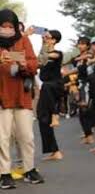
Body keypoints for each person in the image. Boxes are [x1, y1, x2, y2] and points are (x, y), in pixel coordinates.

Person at [0, 9, 44, 189]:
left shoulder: (23, 40)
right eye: (3, 26)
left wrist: (24, 64)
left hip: (22, 95)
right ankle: (4, 173)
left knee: (26, 136)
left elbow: (34, 63)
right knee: (2, 138)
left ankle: (29, 169)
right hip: (2, 95)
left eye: (10, 26)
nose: (7, 29)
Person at [37, 30, 64, 161]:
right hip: (46, 88)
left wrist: (43, 47)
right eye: (44, 37)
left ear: (54, 40)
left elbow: (45, 57)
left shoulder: (57, 53)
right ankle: (55, 151)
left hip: (55, 86)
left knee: (47, 87)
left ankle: (55, 114)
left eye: (47, 37)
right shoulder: (44, 54)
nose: (44, 39)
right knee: (42, 118)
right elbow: (38, 62)